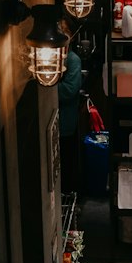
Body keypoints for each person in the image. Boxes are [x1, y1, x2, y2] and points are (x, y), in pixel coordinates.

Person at [57, 20, 83, 194]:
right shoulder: (52, 57)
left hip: (65, 123)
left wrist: (47, 84)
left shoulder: (73, 60)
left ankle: (69, 199)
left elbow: (69, 91)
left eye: (64, 34)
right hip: (53, 121)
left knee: (66, 166)